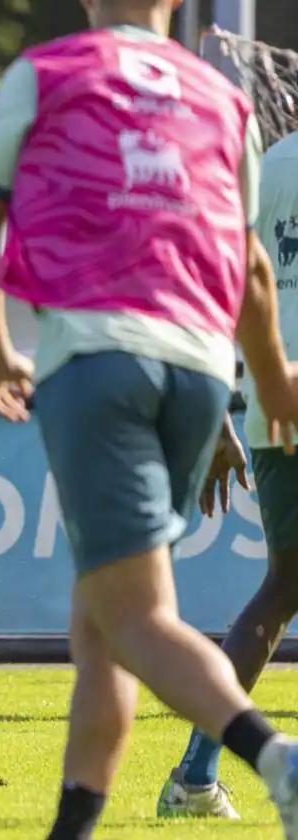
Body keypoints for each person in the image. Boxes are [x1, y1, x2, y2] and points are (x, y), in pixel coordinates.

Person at [0, 1, 298, 836]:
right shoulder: (224, 98)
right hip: (204, 370)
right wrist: (274, 385)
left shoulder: (48, 73)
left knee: (136, 619)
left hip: (102, 358)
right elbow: (249, 268)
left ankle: (276, 762)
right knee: (101, 623)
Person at [157, 130, 298, 819]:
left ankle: (196, 775)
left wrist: (220, 418)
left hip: (273, 401)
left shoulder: (265, 167)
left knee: (283, 585)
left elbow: (208, 289)